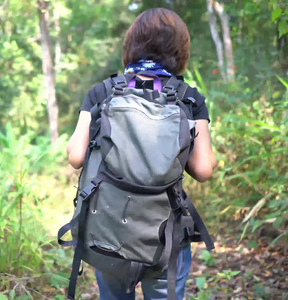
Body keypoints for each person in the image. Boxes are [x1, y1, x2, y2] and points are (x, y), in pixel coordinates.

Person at [65, 8, 217, 300]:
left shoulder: (103, 92)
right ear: (180, 50)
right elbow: (203, 169)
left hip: (108, 235)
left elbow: (75, 156)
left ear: (131, 46)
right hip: (163, 239)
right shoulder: (189, 98)